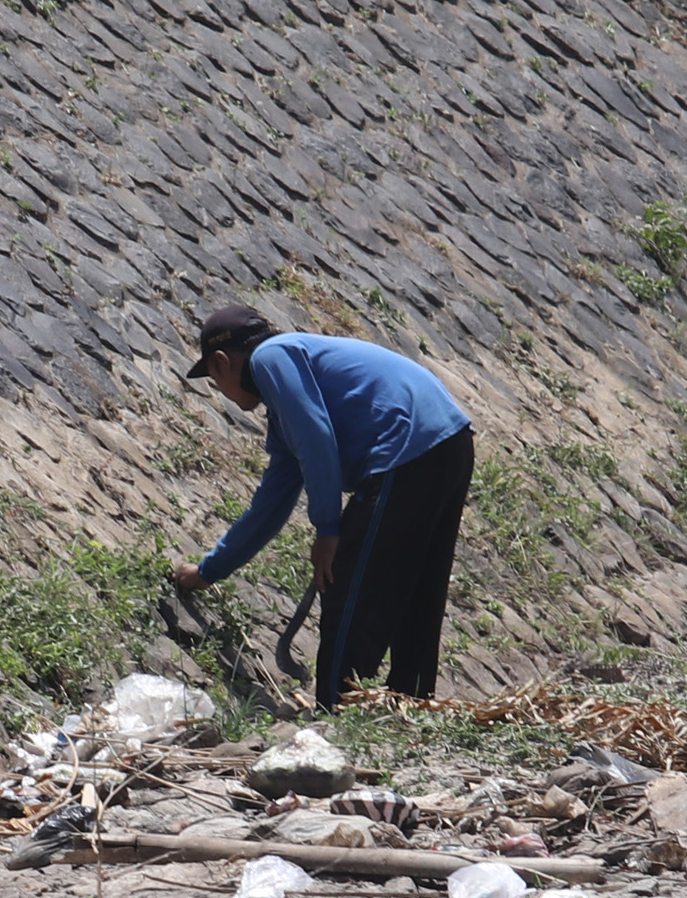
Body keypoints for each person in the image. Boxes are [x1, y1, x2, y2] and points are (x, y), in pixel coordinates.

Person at [165, 302, 476, 709]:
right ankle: (413, 708)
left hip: (405, 448)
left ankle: (336, 712)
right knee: (417, 589)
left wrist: (328, 529)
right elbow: (269, 507)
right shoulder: (286, 405)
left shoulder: (271, 357)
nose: (219, 388)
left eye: (213, 378)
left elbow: (316, 437)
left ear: (222, 362)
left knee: (349, 588)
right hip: (448, 440)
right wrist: (208, 571)